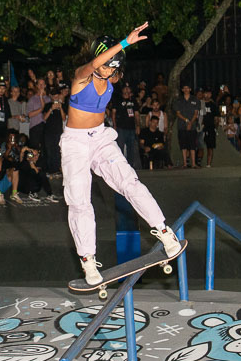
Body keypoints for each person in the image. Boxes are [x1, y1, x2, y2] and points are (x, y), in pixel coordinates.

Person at [63, 27, 184, 288]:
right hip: (75, 144)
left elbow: (113, 67)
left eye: (113, 69)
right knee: (80, 201)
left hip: (101, 138)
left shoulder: (112, 80)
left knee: (130, 183)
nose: (108, 72)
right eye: (106, 66)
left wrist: (119, 58)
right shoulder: (80, 78)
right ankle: (88, 259)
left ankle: (164, 232)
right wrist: (125, 43)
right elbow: (94, 64)